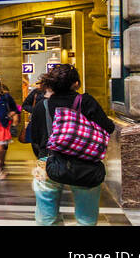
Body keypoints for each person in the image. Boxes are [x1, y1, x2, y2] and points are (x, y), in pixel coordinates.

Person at [29, 63, 116, 226]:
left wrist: (44, 157)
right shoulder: (87, 102)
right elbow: (109, 127)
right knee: (86, 219)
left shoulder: (42, 106)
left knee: (46, 218)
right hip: (85, 163)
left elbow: (35, 137)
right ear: (75, 83)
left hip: (47, 162)